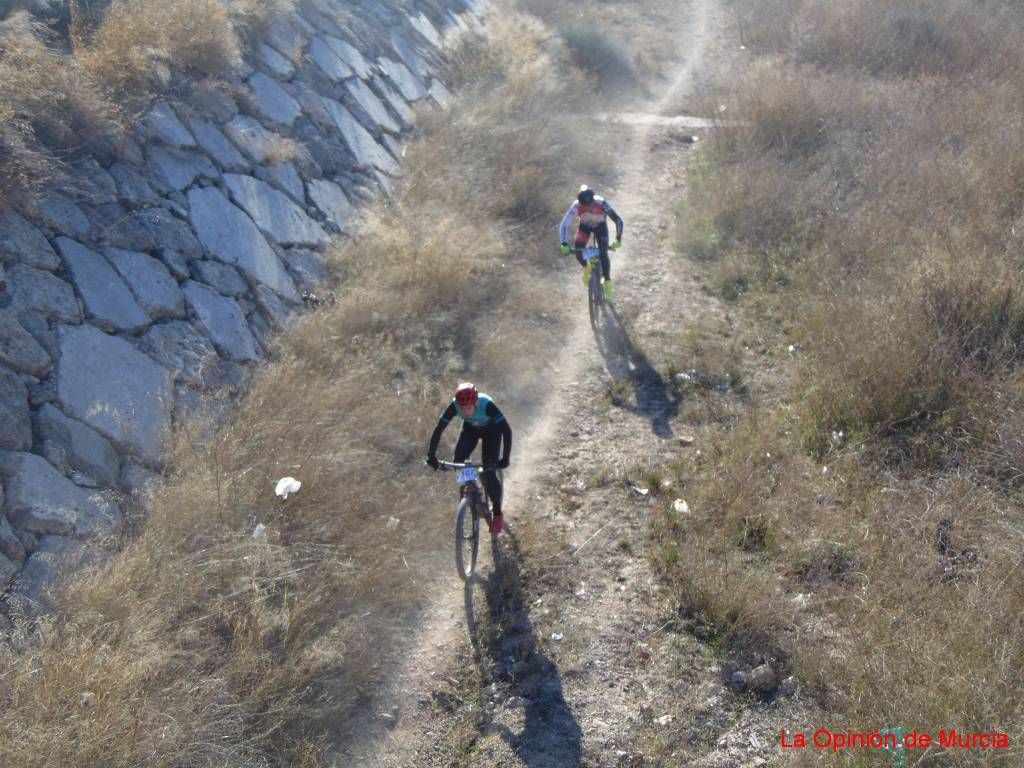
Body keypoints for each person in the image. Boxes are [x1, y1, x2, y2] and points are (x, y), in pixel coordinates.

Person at [426, 383, 512, 534]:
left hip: (491, 432)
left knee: (489, 471)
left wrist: (505, 458)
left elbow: (506, 430)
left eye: (469, 408)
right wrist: (431, 455)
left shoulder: (487, 405)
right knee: (459, 461)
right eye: (462, 408)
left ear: (476, 403)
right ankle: (473, 487)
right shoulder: (454, 406)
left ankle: (497, 513)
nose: (465, 412)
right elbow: (439, 428)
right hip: (470, 430)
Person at [559, 184, 624, 301]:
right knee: (578, 253)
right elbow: (564, 224)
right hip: (585, 228)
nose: (589, 207)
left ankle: (607, 282)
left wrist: (618, 239)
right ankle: (586, 267)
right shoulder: (576, 205)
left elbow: (618, 220)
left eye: (591, 204)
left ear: (594, 199)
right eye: (585, 205)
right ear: (580, 202)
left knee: (603, 254)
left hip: (600, 228)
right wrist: (563, 243)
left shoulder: (601, 203)